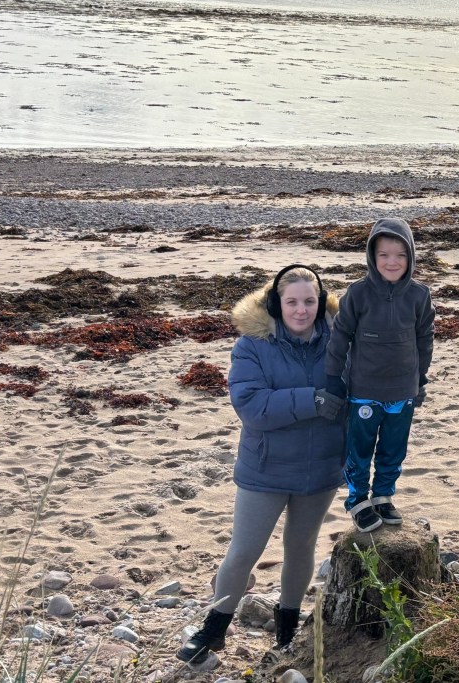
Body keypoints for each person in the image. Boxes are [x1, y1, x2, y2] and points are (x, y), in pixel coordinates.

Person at [177, 265, 346, 665]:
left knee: (301, 547)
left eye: (310, 301)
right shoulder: (251, 345)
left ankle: (287, 629)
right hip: (265, 469)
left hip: (321, 467)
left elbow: (361, 385)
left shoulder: (342, 342)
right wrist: (314, 400)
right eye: (292, 302)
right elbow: (251, 406)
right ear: (276, 303)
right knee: (244, 551)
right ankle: (214, 628)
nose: (301, 310)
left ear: (321, 303)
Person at [325, 217, 435, 533]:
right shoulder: (358, 294)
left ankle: (383, 496)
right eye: (384, 254)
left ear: (411, 257)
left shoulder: (419, 295)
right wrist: (333, 379)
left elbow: (424, 338)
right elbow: (340, 337)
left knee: (393, 448)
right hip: (363, 389)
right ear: (372, 256)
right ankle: (358, 500)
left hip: (402, 390)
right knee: (360, 448)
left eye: (400, 255)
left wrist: (420, 378)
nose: (392, 262)